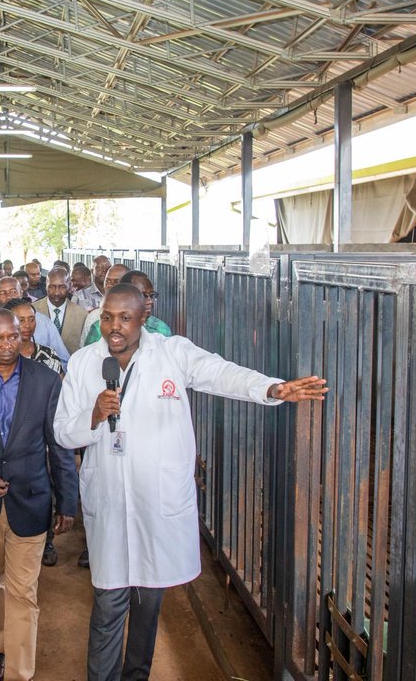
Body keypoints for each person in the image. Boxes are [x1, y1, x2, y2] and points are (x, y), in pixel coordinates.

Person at [54, 284, 327, 681]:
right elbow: (63, 433)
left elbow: (221, 373)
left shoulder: (172, 352)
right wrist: (93, 416)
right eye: (108, 317)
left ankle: (136, 676)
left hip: (156, 506)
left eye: (125, 318)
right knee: (109, 605)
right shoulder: (83, 363)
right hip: (110, 505)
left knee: (149, 605)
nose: (115, 327)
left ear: (142, 319)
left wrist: (272, 388)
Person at [0, 309, 78, 681]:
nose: (7, 344)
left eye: (12, 336)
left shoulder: (45, 380)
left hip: (32, 498)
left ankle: (18, 672)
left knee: (24, 591)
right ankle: (1, 649)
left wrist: (67, 501)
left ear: (22, 335)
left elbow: (57, 447)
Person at [83, 270, 170, 346]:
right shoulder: (99, 330)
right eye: (142, 295)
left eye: (151, 295)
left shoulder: (161, 329)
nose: (150, 301)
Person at [0, 277, 70, 364]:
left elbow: (63, 359)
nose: (9, 296)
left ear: (21, 293)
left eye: (13, 292)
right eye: (3, 293)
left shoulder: (43, 322)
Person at [34, 267, 88, 355]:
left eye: (62, 287)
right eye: (52, 287)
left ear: (70, 286)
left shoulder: (81, 315)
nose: (56, 292)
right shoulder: (33, 311)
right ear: (46, 285)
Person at [4, 298, 63, 375]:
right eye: (21, 320)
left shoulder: (49, 355)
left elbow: (60, 384)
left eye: (31, 319)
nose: (28, 325)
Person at [78, 264, 129, 346]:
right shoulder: (93, 317)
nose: (109, 285)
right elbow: (84, 353)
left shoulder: (137, 318)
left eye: (115, 282)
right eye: (107, 281)